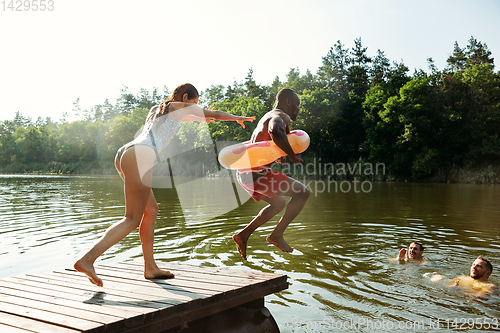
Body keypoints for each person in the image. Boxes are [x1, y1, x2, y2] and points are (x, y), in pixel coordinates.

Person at [74, 83, 255, 286]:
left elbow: (205, 116)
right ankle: (87, 260)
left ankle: (150, 267)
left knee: (151, 210)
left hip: (126, 152)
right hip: (141, 154)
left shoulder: (160, 109)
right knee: (132, 218)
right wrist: (237, 118)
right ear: (185, 97)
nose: (195, 106)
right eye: (194, 102)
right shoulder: (178, 106)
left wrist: (208, 115)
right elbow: (213, 113)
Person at [232, 88, 310, 260]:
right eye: (297, 105)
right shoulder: (281, 115)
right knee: (303, 192)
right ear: (287, 101)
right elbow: (276, 130)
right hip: (257, 174)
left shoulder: (267, 116)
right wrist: (291, 154)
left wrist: (278, 155)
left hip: (246, 174)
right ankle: (276, 236)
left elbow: (266, 143)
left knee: (278, 203)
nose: (298, 109)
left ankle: (243, 235)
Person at [430, 256, 497, 295]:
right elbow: (447, 286)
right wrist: (437, 281)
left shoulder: (490, 287)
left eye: (479, 266)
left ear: (488, 273)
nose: (473, 267)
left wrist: (459, 290)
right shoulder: (463, 278)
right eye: (473, 265)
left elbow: (479, 299)